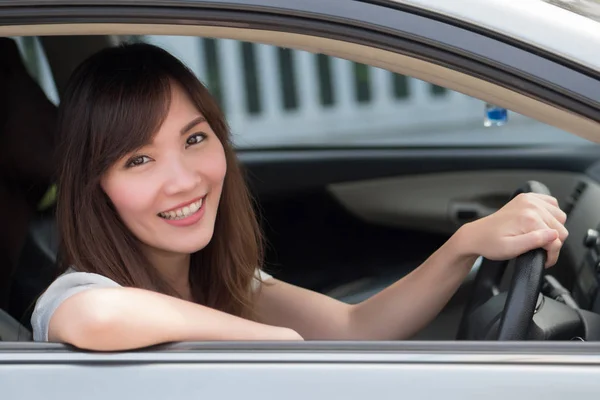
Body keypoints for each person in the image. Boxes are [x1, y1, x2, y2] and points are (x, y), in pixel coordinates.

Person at [31, 43, 568, 350]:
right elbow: (95, 316)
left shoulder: (218, 281)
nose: (184, 180)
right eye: (139, 160)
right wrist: (276, 344)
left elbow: (358, 329)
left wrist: (463, 246)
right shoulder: (81, 290)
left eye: (195, 139)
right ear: (95, 185)